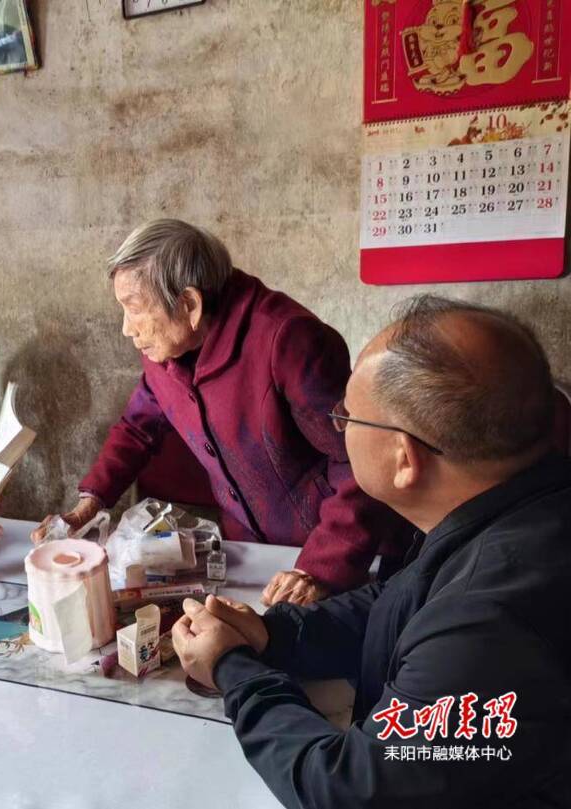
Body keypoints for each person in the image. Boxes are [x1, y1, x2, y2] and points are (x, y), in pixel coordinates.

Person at [172, 296, 571, 808]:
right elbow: (403, 599)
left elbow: (348, 791)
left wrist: (232, 669)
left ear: (405, 458)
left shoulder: (491, 618)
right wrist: (274, 634)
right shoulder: (517, 505)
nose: (339, 427)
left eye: (348, 416)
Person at [36, 219, 408, 605]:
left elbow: (359, 458)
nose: (126, 329)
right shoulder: (168, 349)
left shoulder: (288, 340)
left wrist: (320, 569)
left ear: (190, 305)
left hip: (334, 552)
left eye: (134, 310)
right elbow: (137, 428)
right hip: (250, 551)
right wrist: (89, 504)